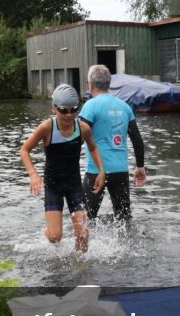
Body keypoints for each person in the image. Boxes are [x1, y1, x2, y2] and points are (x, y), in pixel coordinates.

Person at [20, 84, 105, 252]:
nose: (69, 115)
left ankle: (80, 268)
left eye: (74, 110)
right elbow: (24, 150)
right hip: (53, 186)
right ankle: (49, 232)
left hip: (74, 184)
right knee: (55, 237)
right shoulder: (47, 127)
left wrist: (101, 170)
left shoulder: (83, 128)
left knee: (83, 234)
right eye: (63, 110)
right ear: (54, 109)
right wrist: (33, 175)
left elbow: (93, 148)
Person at [79, 65, 146, 222]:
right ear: (108, 83)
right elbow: (137, 139)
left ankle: (85, 247)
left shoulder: (90, 105)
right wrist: (140, 167)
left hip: (96, 171)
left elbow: (78, 137)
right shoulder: (124, 107)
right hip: (120, 171)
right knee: (124, 219)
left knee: (84, 218)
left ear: (90, 83)